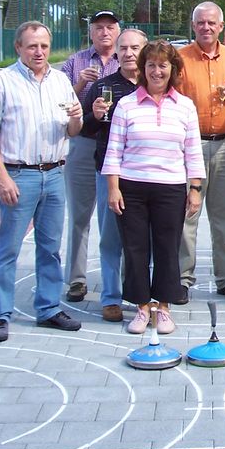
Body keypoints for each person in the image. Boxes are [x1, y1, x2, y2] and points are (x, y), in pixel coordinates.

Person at [0, 21, 84, 342]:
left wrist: (77, 117)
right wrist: (1, 177)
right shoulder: (1, 82)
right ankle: (0, 314)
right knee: (9, 248)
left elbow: (73, 131)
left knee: (50, 248)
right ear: (18, 47)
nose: (39, 52)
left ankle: (49, 308)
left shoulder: (61, 81)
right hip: (19, 174)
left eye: (44, 46)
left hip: (54, 174)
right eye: (32, 46)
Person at [103, 41, 205, 335]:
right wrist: (113, 188)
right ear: (142, 68)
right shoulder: (126, 105)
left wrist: (195, 189)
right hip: (132, 187)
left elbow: (193, 151)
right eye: (151, 65)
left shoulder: (185, 106)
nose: (156, 71)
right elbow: (114, 150)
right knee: (135, 249)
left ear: (172, 69)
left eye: (163, 65)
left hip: (170, 188)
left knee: (167, 249)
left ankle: (163, 308)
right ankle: (141, 307)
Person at [176, 1, 225, 303]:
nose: (206, 27)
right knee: (187, 216)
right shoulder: (179, 59)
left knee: (223, 219)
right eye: (200, 22)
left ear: (221, 26)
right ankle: (182, 279)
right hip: (189, 146)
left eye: (211, 23)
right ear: (193, 25)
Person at [81, 28, 147, 322]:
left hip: (145, 174)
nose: (129, 53)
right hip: (110, 173)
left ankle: (142, 295)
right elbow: (84, 129)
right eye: (124, 48)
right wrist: (94, 116)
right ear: (116, 53)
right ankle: (110, 297)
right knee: (111, 239)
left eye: (135, 48)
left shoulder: (155, 84)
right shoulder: (103, 87)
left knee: (145, 241)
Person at [60, 10, 120, 302]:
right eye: (99, 28)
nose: (104, 32)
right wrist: (80, 84)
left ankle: (120, 279)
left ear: (118, 31)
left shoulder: (128, 58)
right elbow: (58, 102)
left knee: (117, 217)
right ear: (91, 32)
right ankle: (76, 279)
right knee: (80, 215)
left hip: (118, 145)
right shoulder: (76, 62)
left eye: (110, 27)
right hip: (85, 142)